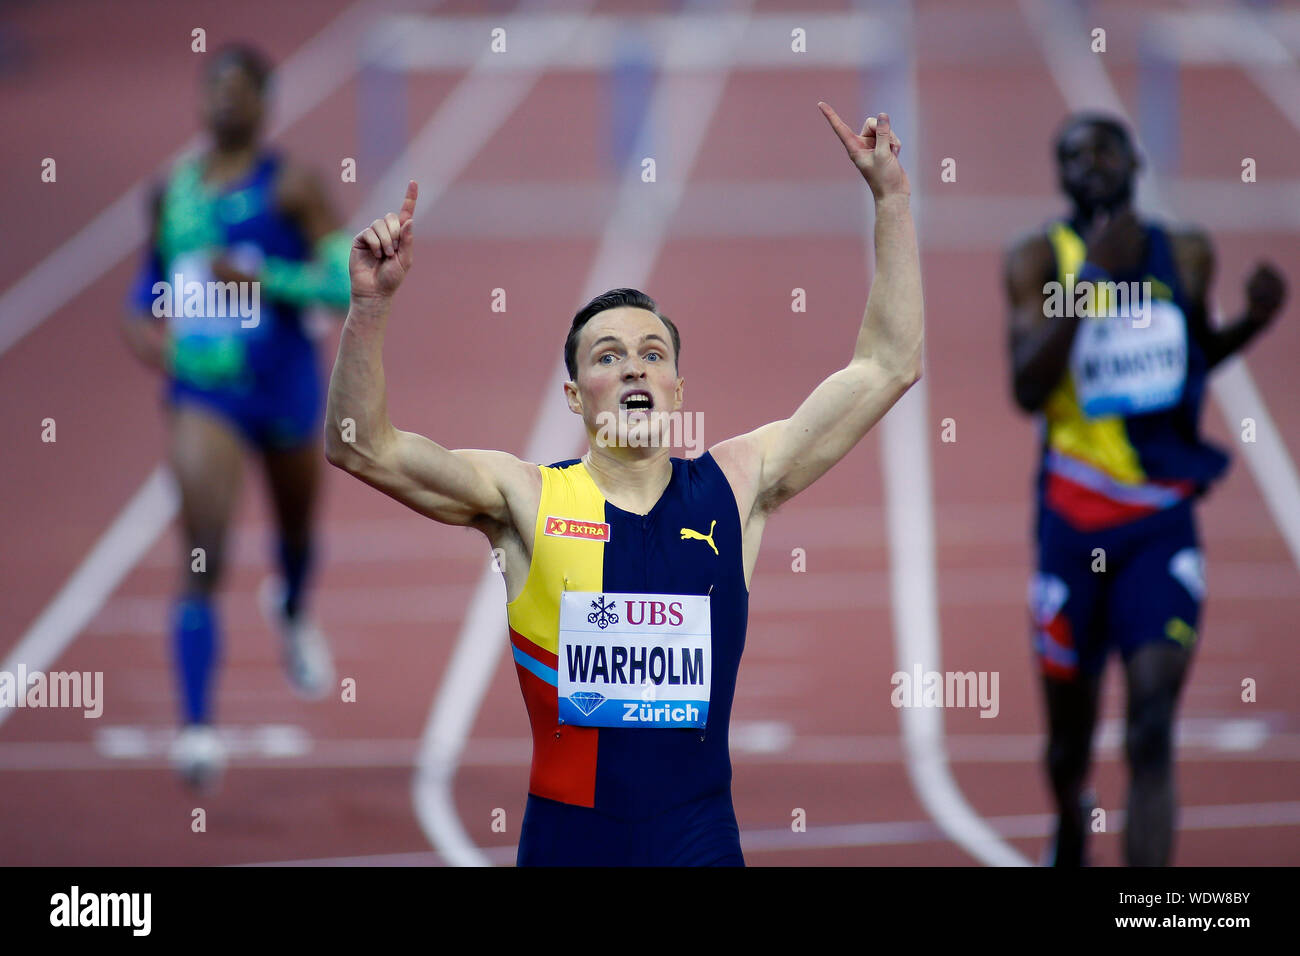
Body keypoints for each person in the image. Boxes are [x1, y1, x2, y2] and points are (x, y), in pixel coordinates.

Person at [326, 104, 923, 866]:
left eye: (651, 353)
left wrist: (893, 202)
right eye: (607, 356)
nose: (633, 366)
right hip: (570, 840)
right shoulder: (526, 498)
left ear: (677, 385)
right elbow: (362, 449)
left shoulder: (739, 484)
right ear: (575, 396)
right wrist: (370, 309)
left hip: (697, 837)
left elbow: (887, 366)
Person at [1004, 113, 1287, 866]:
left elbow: (1189, 356)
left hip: (1159, 523)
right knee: (1068, 742)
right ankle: (1071, 820)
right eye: (1072, 156)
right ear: (1059, 176)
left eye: (1104, 150)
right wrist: (1092, 277)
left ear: (1134, 159)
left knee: (1151, 725)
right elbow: (1028, 384)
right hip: (1072, 524)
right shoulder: (1039, 259)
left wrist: (1251, 325)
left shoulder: (1184, 252)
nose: (1090, 165)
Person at [122, 44, 353, 787]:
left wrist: (260, 274)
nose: (223, 100)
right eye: (212, 88)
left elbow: (343, 286)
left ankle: (289, 606)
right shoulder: (171, 195)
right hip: (204, 394)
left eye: (238, 89)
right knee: (203, 551)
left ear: (264, 102)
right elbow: (148, 286)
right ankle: (195, 728)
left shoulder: (294, 188)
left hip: (284, 388)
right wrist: (144, 330)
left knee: (294, 532)